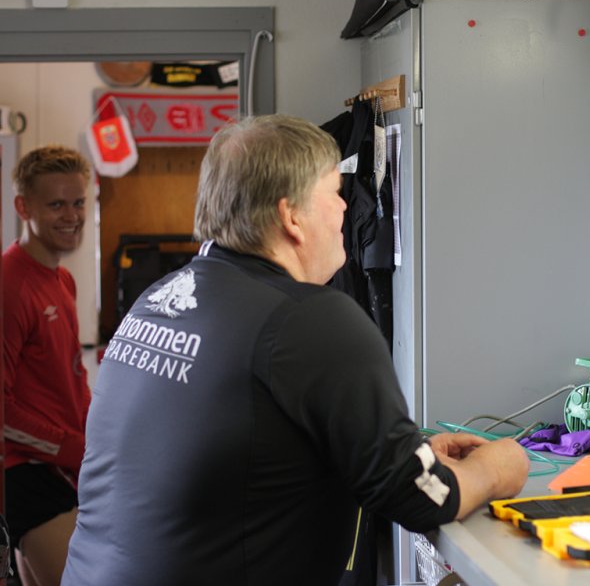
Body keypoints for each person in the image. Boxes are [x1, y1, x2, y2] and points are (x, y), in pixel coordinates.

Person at [61, 115, 529, 585]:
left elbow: (236, 454)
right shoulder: (311, 319)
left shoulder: (159, 301)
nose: (345, 209)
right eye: (333, 192)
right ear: (292, 216)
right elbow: (420, 497)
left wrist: (406, 454)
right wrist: (498, 467)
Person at [2, 146, 92, 586]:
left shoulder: (62, 278)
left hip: (64, 468)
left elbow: (70, 377)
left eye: (79, 202)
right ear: (23, 207)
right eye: (56, 204)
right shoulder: (9, 284)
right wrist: (70, 448)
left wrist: (94, 435)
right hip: (26, 472)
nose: (72, 216)